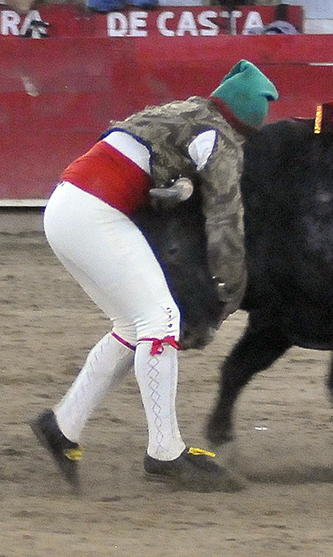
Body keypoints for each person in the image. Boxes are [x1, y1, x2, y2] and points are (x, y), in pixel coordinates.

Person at [31, 59, 278, 493]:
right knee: (162, 319)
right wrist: (230, 287)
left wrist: (177, 188)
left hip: (66, 205)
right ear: (245, 126)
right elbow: (225, 221)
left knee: (132, 326)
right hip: (95, 211)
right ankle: (165, 451)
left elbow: (142, 162)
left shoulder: (181, 111)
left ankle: (62, 426)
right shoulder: (222, 140)